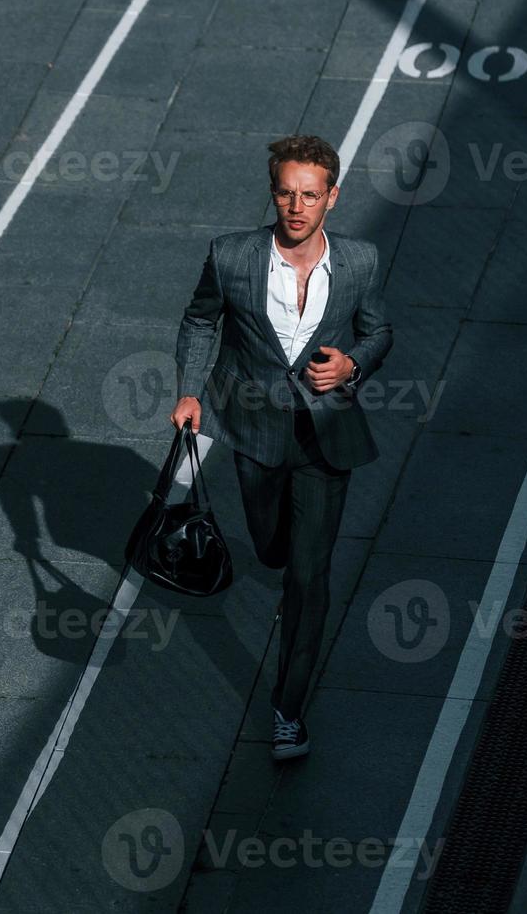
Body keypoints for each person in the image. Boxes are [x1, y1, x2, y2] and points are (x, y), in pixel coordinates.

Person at [170, 134, 392, 761]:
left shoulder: (360, 263)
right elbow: (198, 320)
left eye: (311, 196)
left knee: (308, 577)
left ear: (333, 199)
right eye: (287, 194)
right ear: (274, 195)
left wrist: (350, 366)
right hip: (255, 430)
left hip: (327, 438)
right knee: (271, 549)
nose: (297, 207)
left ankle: (288, 712)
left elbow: (380, 332)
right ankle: (278, 557)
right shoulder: (231, 258)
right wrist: (190, 392)